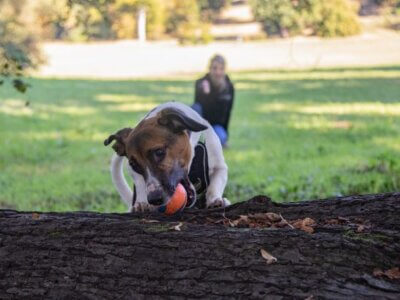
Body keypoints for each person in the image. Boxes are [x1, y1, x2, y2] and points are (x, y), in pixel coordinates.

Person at [192, 54, 234, 148]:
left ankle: (216, 139)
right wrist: (206, 94)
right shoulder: (200, 83)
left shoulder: (229, 87)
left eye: (221, 69)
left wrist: (225, 133)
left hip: (216, 125)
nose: (218, 72)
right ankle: (194, 139)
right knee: (195, 107)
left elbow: (228, 113)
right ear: (210, 69)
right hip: (202, 124)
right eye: (215, 68)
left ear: (224, 70)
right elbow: (198, 109)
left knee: (221, 137)